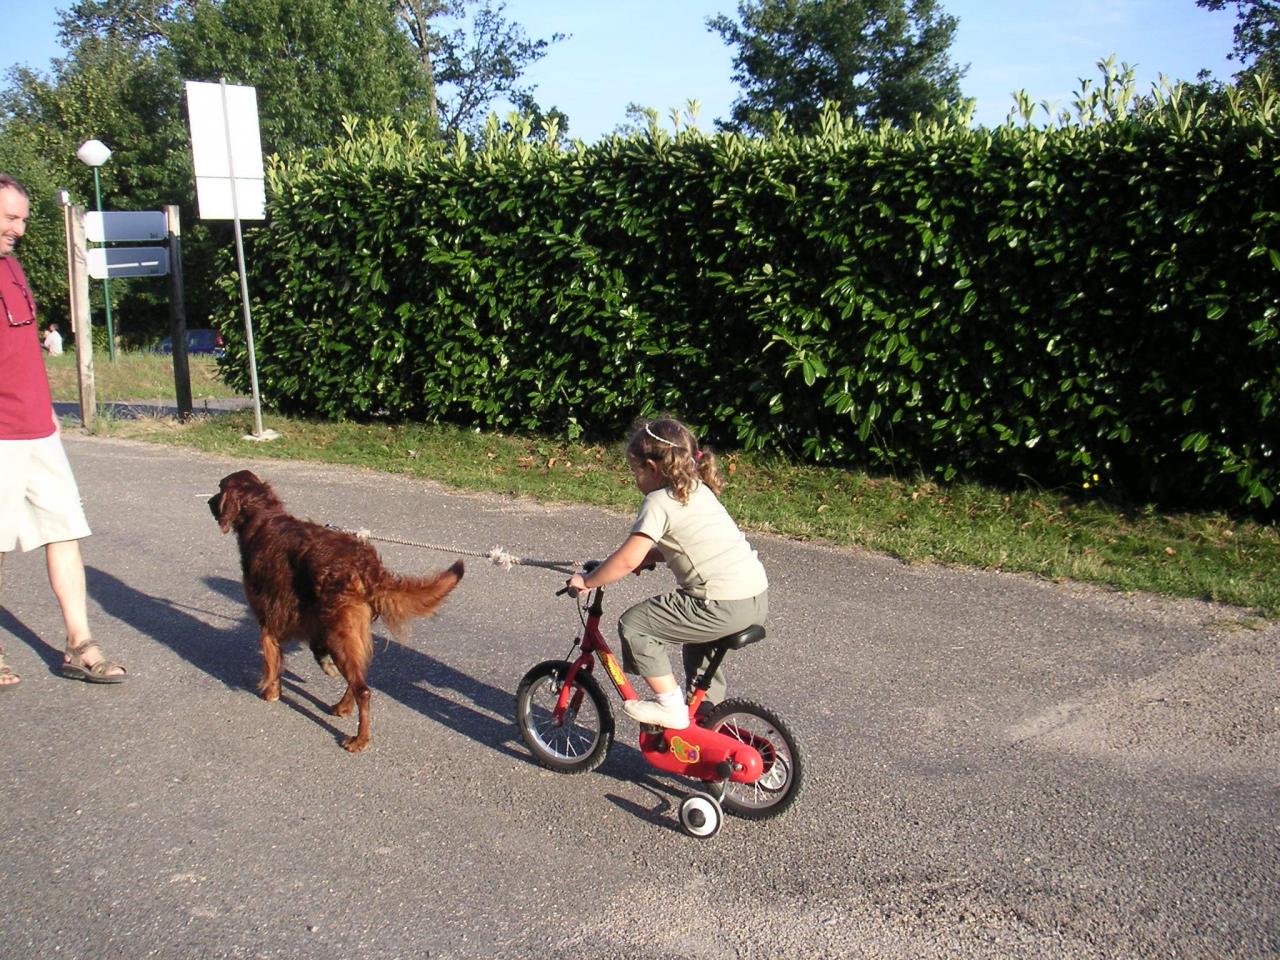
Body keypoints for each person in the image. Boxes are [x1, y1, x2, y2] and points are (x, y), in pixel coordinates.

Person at [0, 173, 126, 687]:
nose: (21, 229)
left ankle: (80, 643)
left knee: (65, 530)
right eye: (11, 218)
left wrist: (46, 409)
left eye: (24, 218)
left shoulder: (11, 266)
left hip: (37, 429)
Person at [565, 417, 768, 729]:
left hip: (719, 604)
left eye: (636, 472)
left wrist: (587, 581)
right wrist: (654, 556)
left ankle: (670, 707)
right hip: (752, 597)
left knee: (634, 626)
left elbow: (626, 560)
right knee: (698, 645)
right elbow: (694, 544)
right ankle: (708, 719)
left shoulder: (658, 502)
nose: (635, 480)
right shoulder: (696, 488)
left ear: (652, 467)